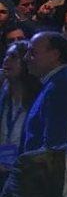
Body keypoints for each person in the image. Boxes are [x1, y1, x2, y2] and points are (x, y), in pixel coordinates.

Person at [21, 31, 67, 152]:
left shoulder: (62, 88)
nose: (26, 58)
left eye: (32, 53)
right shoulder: (59, 82)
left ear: (55, 55)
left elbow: (54, 144)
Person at [0, 43, 39, 172]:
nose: (6, 60)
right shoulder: (3, 96)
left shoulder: (37, 100)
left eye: (13, 57)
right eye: (6, 55)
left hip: (23, 173)